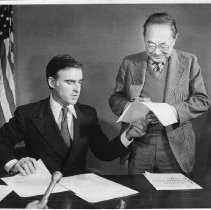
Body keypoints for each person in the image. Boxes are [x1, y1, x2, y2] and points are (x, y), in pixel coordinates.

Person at [0, 54, 144, 177]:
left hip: (77, 191)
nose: (77, 89)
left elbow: (104, 152)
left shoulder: (88, 114)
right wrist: (14, 164)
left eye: (79, 82)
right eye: (70, 82)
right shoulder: (28, 114)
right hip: (41, 189)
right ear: (52, 82)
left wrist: (128, 135)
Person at [109, 12, 210, 175]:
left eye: (163, 46)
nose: (156, 52)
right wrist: (131, 107)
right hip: (139, 145)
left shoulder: (189, 61)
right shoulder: (130, 63)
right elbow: (115, 99)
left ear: (175, 39)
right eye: (150, 45)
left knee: (174, 199)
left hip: (175, 147)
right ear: (143, 38)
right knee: (139, 197)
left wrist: (172, 111)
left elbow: (202, 100)